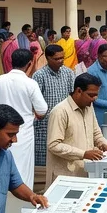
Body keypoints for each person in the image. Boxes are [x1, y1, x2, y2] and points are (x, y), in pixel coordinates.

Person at [0, 48, 48, 181]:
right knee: (22, 171)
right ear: (30, 64)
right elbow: (42, 111)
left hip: (1, 133)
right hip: (23, 133)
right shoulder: (30, 84)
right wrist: (32, 114)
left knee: (1, 169)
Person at [45, 72, 107, 184]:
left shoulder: (89, 107)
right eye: (91, 95)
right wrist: (83, 154)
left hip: (84, 173)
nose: (94, 99)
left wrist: (105, 144)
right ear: (78, 91)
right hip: (64, 176)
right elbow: (53, 145)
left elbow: (96, 134)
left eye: (96, 95)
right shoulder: (60, 112)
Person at [32, 43, 76, 171]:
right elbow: (35, 102)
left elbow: (72, 96)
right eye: (57, 59)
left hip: (64, 121)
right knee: (44, 158)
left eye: (62, 58)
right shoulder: (39, 75)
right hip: (45, 123)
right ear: (48, 58)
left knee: (63, 154)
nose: (61, 61)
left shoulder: (68, 73)